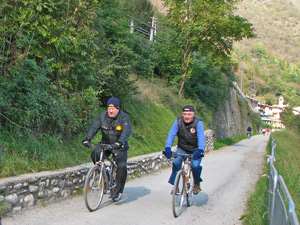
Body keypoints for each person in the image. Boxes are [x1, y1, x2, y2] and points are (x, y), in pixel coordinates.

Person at [82, 97, 132, 200]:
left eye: (113, 108)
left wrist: (120, 142)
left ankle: (117, 190)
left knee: (121, 167)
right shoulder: (102, 117)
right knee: (95, 154)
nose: (110, 111)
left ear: (118, 109)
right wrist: (87, 139)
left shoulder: (124, 118)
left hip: (119, 146)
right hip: (106, 145)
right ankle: (105, 173)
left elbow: (126, 131)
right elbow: (94, 127)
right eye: (109, 108)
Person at [163, 105, 205, 194]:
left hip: (195, 149)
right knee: (176, 162)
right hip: (183, 147)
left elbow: (201, 137)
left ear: (193, 115)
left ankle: (196, 183)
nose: (186, 116)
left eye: (189, 114)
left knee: (195, 165)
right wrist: (167, 148)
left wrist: (200, 150)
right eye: (185, 114)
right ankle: (175, 186)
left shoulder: (198, 123)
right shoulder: (178, 122)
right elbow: (171, 135)